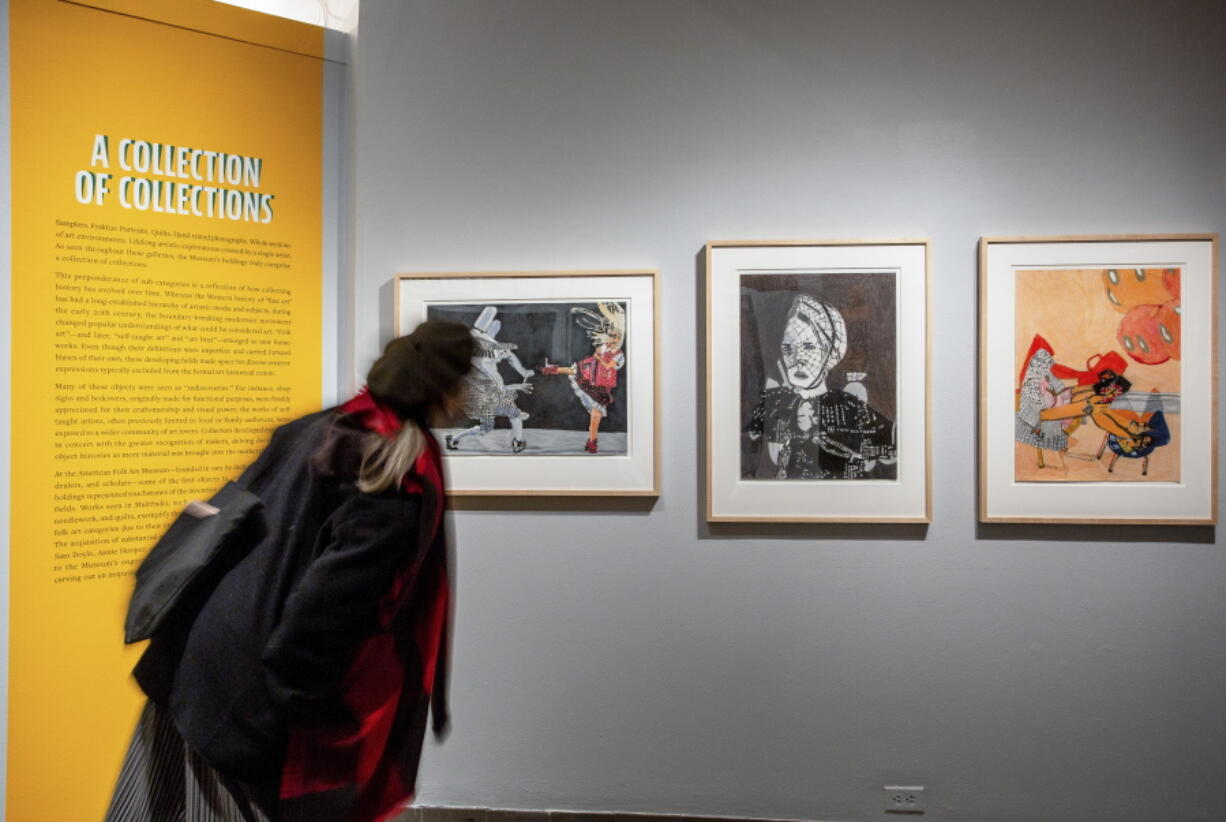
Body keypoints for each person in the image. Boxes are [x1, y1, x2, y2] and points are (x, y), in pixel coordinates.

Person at [106, 321, 475, 822]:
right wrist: (309, 718)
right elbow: (324, 617)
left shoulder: (314, 429)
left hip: (193, 661)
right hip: (242, 702)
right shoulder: (395, 479)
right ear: (447, 391)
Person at [743, 294, 896, 480]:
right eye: (788, 347)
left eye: (808, 347)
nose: (797, 358)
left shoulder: (848, 407)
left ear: (829, 351)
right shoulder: (775, 403)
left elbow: (890, 454)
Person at [445, 306, 535, 453]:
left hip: (485, 397)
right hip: (486, 398)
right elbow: (498, 388)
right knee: (514, 416)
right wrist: (519, 383)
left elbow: (503, 357)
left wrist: (522, 373)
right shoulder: (482, 362)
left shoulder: (481, 360)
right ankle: (518, 442)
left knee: (488, 427)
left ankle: (454, 439)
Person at [539, 302, 626, 454]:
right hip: (591, 373)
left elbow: (608, 366)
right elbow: (597, 349)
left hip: (601, 385)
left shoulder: (619, 356)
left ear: (617, 338)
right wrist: (599, 350)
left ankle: (592, 441)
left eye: (613, 335)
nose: (610, 338)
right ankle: (552, 369)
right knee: (574, 370)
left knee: (595, 415)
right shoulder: (605, 347)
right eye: (610, 335)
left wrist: (599, 357)